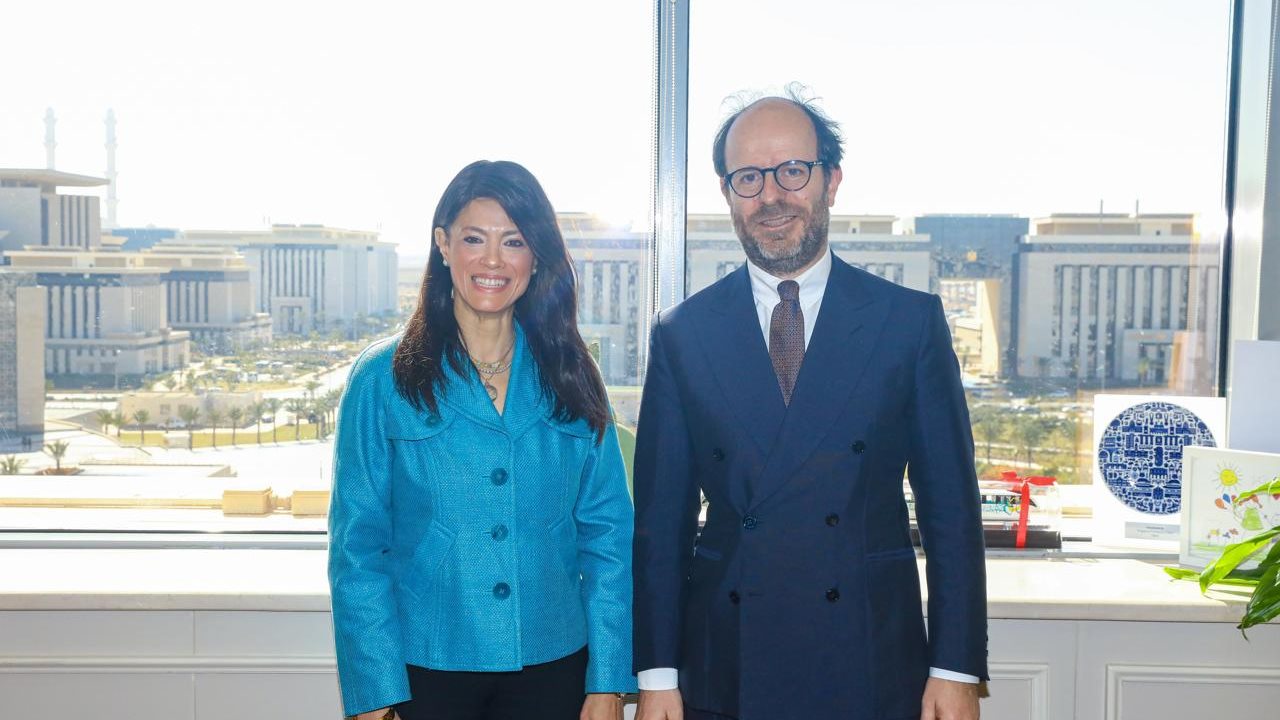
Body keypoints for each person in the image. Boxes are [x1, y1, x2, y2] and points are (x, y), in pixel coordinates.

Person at [632, 92, 988, 720]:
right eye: (748, 177)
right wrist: (657, 675)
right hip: (727, 665)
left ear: (832, 181)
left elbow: (951, 513)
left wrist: (955, 668)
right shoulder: (683, 333)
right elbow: (662, 525)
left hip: (869, 658)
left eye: (793, 171)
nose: (771, 196)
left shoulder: (908, 323)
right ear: (727, 193)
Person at [329, 160, 637, 720]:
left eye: (513, 241)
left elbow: (609, 535)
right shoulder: (382, 379)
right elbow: (358, 548)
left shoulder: (573, 373)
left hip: (556, 667)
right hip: (424, 671)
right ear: (443, 245)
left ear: (535, 256)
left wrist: (609, 681)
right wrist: (375, 693)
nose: (493, 260)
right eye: (474, 238)